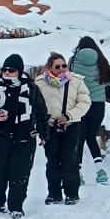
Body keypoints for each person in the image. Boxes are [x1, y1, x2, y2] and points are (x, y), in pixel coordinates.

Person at [0, 54, 48, 219]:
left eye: (11, 70)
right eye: (4, 70)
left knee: (20, 173)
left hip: (24, 137)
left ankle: (16, 206)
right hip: (0, 136)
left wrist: (43, 132)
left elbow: (41, 111)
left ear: (19, 72)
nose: (7, 73)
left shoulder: (31, 88)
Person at [34, 53, 92, 205]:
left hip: (71, 126)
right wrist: (42, 122)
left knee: (70, 161)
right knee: (52, 161)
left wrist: (69, 116)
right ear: (50, 68)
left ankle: (72, 193)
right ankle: (54, 193)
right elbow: (35, 105)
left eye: (64, 65)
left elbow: (85, 102)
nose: (61, 69)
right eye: (57, 67)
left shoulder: (77, 81)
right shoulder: (40, 84)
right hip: (50, 127)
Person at [69, 37, 110, 167]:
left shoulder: (73, 61)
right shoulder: (102, 61)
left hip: (80, 104)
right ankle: (99, 168)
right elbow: (107, 82)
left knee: (79, 137)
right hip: (98, 105)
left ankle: (78, 168)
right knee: (91, 136)